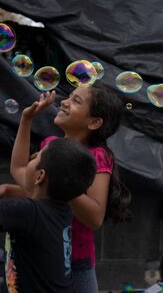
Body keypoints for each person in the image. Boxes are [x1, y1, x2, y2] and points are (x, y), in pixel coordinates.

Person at [9, 83, 131, 293]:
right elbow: (21, 175)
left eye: (76, 101)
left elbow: (94, 218)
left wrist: (62, 180)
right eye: (70, 96)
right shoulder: (50, 145)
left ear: (94, 122)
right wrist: (26, 120)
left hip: (75, 264)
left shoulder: (97, 156)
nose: (63, 102)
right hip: (38, 256)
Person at [1, 109, 96, 293]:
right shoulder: (63, 209)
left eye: (36, 157)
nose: (32, 157)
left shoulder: (29, 211)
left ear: (40, 177)